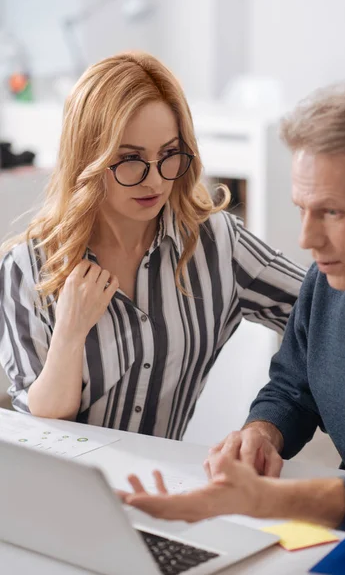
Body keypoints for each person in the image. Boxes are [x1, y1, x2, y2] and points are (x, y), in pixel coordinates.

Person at [120, 80, 345, 534]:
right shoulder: (328, 284)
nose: (307, 240)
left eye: (331, 212)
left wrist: (266, 499)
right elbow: (294, 386)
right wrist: (262, 432)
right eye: (301, 209)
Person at [0, 51, 304, 438]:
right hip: (62, 483)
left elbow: (326, 313)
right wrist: (71, 332)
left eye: (168, 155)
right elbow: (41, 425)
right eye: (130, 159)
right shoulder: (28, 267)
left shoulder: (218, 243)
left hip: (160, 484)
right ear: (87, 159)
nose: (156, 181)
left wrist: (273, 415)